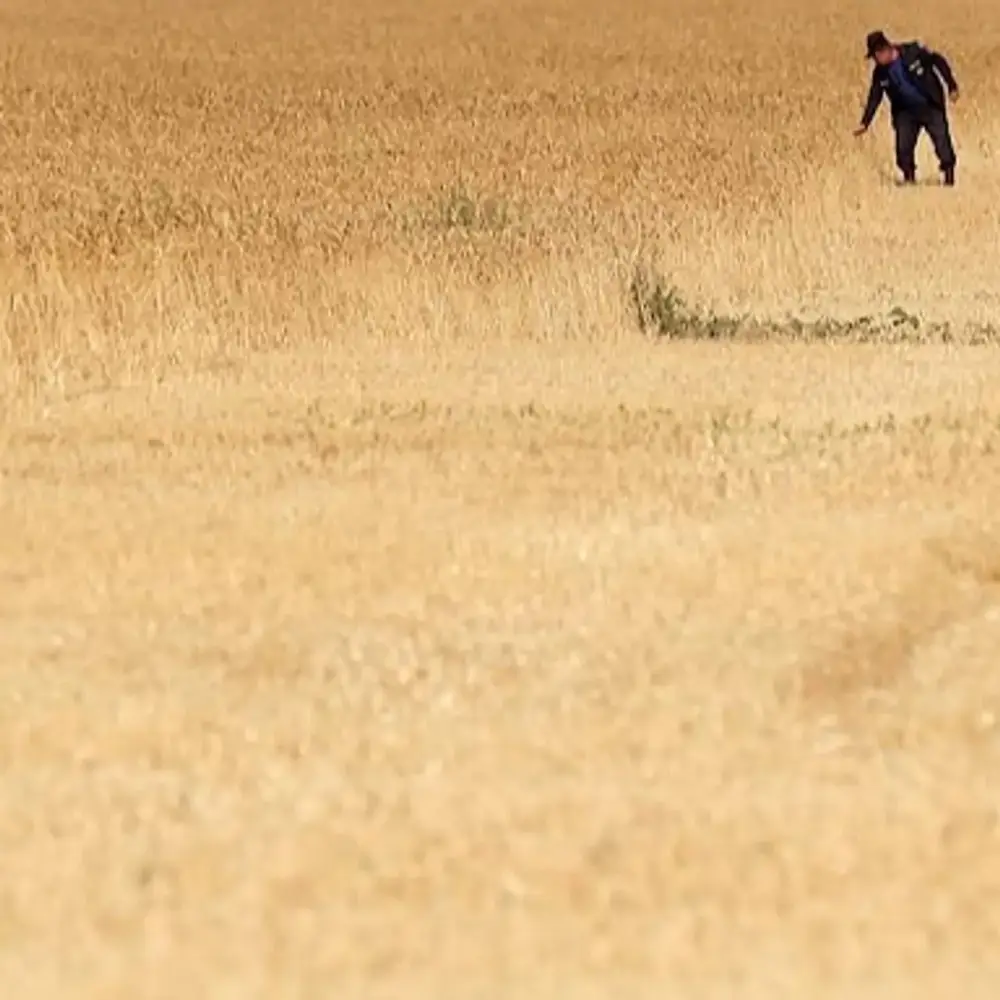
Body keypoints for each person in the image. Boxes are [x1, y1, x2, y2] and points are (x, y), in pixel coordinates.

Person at [853, 30, 960, 186]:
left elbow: (938, 61)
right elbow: (875, 96)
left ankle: (949, 179)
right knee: (903, 148)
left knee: (942, 142)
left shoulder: (913, 53)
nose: (876, 60)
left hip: (929, 105)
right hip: (905, 112)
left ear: (885, 50)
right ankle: (909, 179)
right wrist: (865, 122)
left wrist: (951, 86)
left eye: (876, 56)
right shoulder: (880, 73)